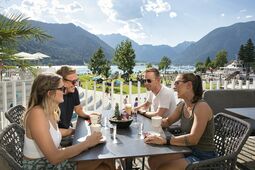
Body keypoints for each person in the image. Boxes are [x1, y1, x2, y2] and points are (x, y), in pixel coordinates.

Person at [22, 73, 115, 169]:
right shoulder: (37, 114)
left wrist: (77, 131)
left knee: (105, 161)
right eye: (62, 89)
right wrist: (87, 143)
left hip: (51, 161)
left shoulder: (50, 111)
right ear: (50, 94)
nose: (65, 91)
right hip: (40, 165)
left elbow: (51, 134)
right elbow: (54, 157)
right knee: (105, 159)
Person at [144, 73, 217, 170]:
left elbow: (193, 139)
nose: (174, 87)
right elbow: (167, 121)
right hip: (187, 150)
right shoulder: (183, 105)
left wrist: (166, 141)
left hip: (203, 156)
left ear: (189, 85)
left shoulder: (201, 107)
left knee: (164, 168)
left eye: (177, 83)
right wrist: (149, 124)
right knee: (153, 161)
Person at [56, 66, 98, 138]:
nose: (76, 84)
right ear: (62, 81)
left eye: (77, 80)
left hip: (68, 131)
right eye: (73, 82)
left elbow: (78, 109)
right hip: (59, 137)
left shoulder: (74, 91)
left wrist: (89, 116)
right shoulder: (54, 98)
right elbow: (53, 132)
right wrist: (76, 131)